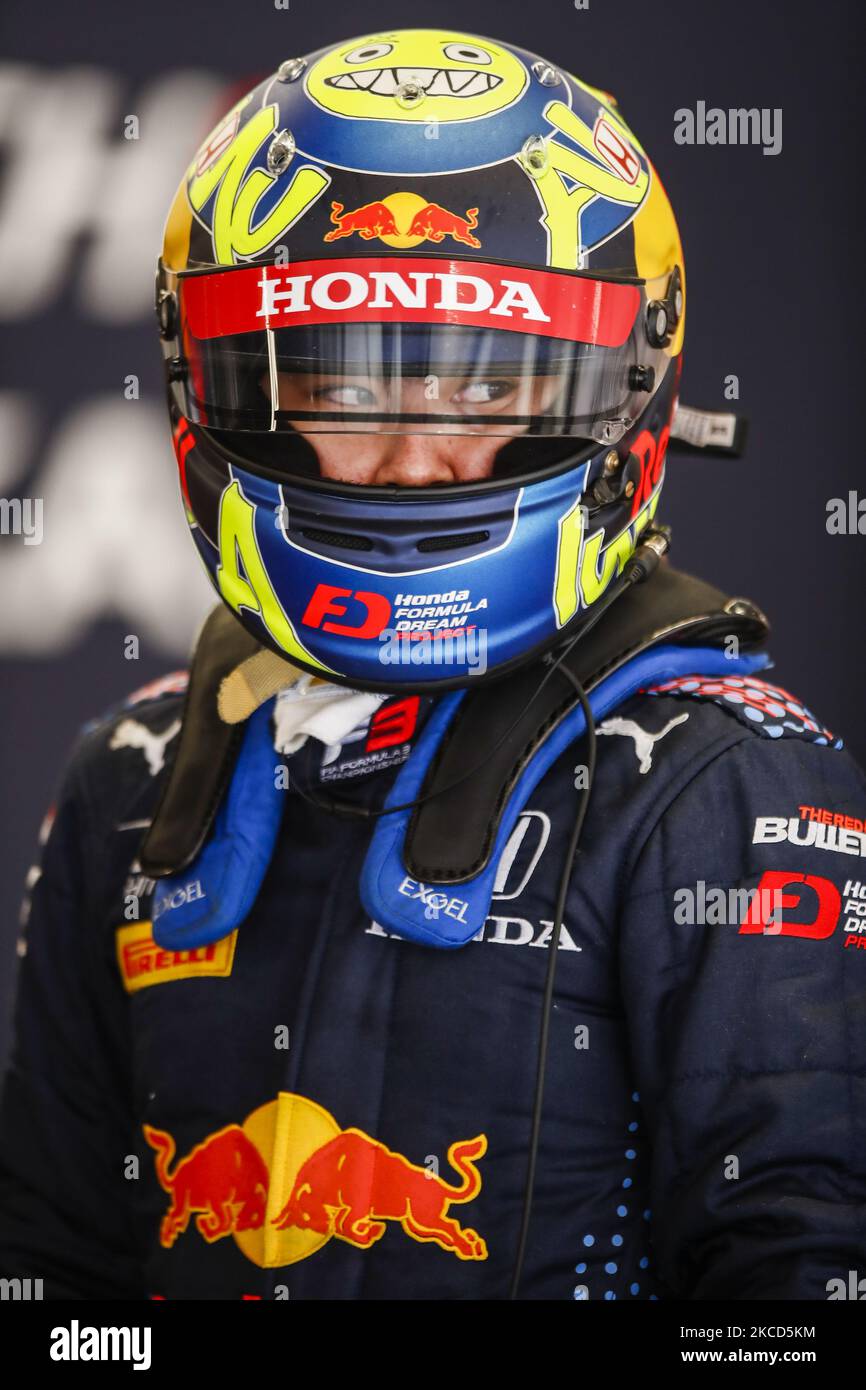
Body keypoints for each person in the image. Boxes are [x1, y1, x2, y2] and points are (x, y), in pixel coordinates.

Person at [1, 27, 864, 1302]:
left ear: (627, 395)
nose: (411, 466)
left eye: (480, 393)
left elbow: (800, 1285)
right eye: (344, 394)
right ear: (217, 391)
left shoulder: (720, 775)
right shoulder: (132, 771)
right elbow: (55, 1287)